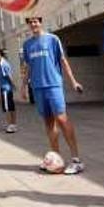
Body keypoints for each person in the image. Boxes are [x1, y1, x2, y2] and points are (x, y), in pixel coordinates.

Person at [21, 17, 85, 175]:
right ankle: (57, 159)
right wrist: (23, 86)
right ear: (28, 25)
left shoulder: (52, 39)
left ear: (41, 22)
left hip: (53, 85)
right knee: (49, 123)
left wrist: (74, 82)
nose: (34, 24)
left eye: (36, 21)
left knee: (62, 120)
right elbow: (28, 66)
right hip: (37, 87)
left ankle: (76, 160)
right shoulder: (27, 44)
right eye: (31, 22)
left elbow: (63, 61)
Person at [0, 49, 18, 133]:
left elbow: (8, 76)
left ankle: (10, 125)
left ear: (0, 55)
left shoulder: (2, 64)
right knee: (12, 107)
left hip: (5, 89)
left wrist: (13, 84)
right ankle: (14, 125)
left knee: (7, 108)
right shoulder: (4, 63)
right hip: (8, 88)